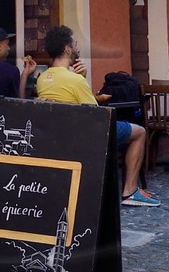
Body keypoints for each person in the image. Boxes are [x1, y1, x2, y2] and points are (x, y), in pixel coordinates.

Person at [34, 25, 160, 207]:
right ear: (67, 49)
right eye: (75, 43)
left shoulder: (42, 78)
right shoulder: (75, 79)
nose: (77, 47)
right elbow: (96, 116)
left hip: (62, 136)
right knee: (139, 131)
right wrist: (83, 80)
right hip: (86, 135)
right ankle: (130, 191)